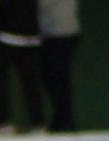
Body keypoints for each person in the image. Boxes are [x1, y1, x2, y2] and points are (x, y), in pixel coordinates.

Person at [0, 0, 44, 134]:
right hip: (30, 35)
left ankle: (3, 123)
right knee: (30, 81)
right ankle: (38, 124)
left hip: (8, 35)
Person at [38, 0, 79, 132]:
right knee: (52, 77)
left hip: (62, 33)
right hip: (52, 34)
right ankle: (62, 119)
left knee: (58, 78)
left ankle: (64, 121)